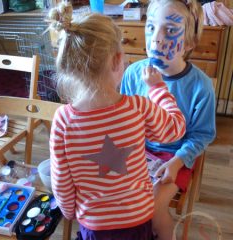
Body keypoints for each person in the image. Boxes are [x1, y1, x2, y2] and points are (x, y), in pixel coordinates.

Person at [48, 2, 186, 240]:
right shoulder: (137, 107)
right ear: (117, 60)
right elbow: (176, 129)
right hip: (138, 218)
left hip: (94, 224)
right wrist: (158, 88)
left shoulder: (62, 121)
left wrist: (70, 212)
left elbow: (61, 181)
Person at [120, 0, 216, 239]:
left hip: (175, 156)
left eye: (170, 30)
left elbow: (202, 135)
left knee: (152, 208)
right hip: (137, 150)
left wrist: (177, 162)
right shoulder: (133, 73)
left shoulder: (200, 86)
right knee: (116, 199)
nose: (156, 39)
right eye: (151, 27)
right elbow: (125, 116)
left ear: (190, 42)